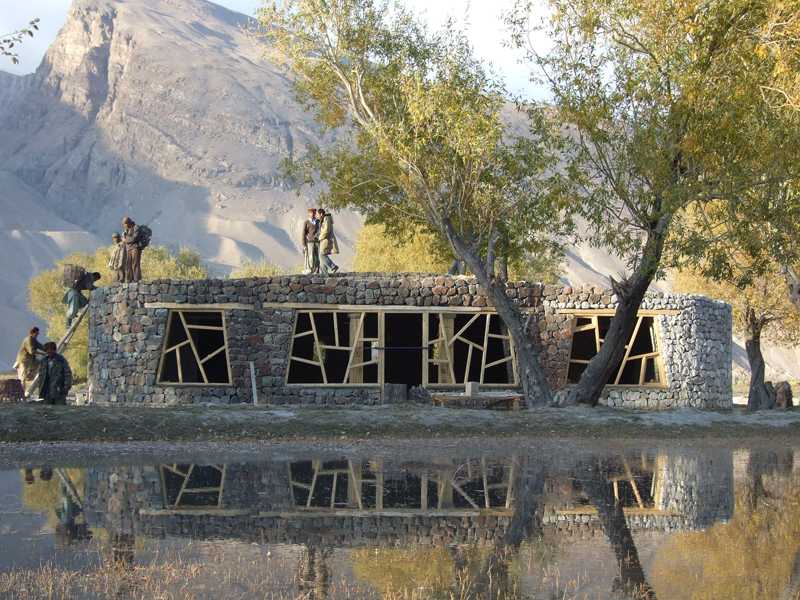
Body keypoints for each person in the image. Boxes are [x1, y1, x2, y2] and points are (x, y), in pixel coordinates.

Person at [13, 327, 45, 392]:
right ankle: (21, 394)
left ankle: (29, 376)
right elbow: (31, 351)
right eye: (37, 333)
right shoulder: (29, 340)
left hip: (30, 360)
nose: (38, 335)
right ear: (33, 333)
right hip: (23, 361)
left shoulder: (34, 340)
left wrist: (49, 349)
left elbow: (41, 346)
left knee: (39, 363)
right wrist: (42, 353)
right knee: (23, 378)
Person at [122, 217, 148, 282]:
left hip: (135, 248)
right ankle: (129, 279)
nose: (124, 226)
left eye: (125, 224)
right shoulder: (126, 230)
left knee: (135, 264)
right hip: (128, 249)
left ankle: (136, 279)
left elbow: (134, 238)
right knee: (128, 264)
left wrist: (125, 239)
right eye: (124, 224)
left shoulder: (136, 227)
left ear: (129, 222)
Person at [317, 208, 340, 274]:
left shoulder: (326, 219)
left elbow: (326, 230)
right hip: (323, 240)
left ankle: (333, 266)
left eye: (318, 215)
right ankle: (324, 273)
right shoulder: (323, 219)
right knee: (321, 256)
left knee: (322, 255)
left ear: (321, 214)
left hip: (326, 240)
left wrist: (320, 237)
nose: (317, 216)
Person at [301, 208, 320, 274]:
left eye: (314, 213)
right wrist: (304, 244)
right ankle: (311, 270)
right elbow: (303, 233)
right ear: (309, 214)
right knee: (311, 256)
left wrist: (317, 236)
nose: (313, 214)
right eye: (311, 213)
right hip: (310, 242)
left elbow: (320, 230)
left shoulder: (318, 221)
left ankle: (317, 270)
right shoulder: (306, 222)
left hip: (317, 242)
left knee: (317, 256)